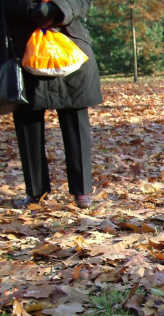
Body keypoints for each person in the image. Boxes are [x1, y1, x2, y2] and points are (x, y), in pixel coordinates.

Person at [1, 0, 102, 209]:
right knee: (27, 122)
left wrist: (57, 9)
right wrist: (28, 9)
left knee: (75, 119)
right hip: (22, 51)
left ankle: (81, 191)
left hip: (71, 50)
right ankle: (36, 192)